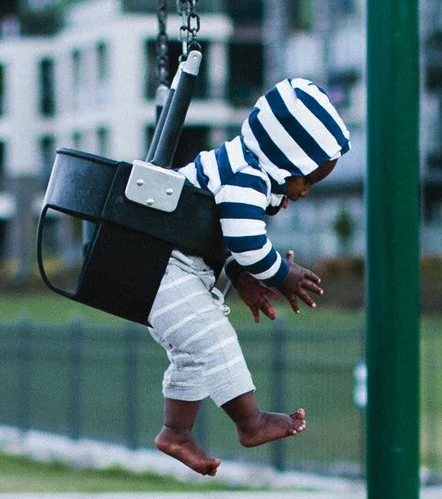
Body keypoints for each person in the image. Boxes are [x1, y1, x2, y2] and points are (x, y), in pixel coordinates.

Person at [150, 78, 349, 476]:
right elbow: (244, 241)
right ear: (284, 157)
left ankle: (176, 431)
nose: (305, 191)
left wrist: (242, 277)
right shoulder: (248, 176)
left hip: (168, 266)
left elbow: (218, 237)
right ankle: (249, 421)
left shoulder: (241, 166)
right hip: (160, 266)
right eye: (306, 178)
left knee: (193, 353)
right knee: (213, 337)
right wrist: (281, 275)